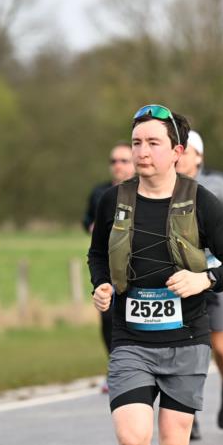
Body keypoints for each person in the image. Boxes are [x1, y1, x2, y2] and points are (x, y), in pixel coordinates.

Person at [87, 105, 223, 445]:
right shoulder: (114, 200)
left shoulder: (202, 202)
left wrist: (205, 280)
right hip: (131, 337)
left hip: (186, 338)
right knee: (131, 438)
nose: (142, 151)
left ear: (177, 151)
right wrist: (101, 285)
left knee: (174, 443)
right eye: (137, 142)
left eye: (153, 143)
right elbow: (97, 254)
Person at [175, 131, 223, 438]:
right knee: (185, 344)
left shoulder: (215, 183)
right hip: (181, 273)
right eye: (177, 150)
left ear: (199, 157)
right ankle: (187, 411)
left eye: (187, 151)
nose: (180, 157)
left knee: (218, 344)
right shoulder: (165, 185)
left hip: (216, 271)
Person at [84, 142, 135, 392]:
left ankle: (137, 368)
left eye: (124, 160)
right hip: (108, 266)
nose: (118, 165)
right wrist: (92, 227)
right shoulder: (100, 193)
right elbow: (87, 219)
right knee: (107, 319)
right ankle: (115, 368)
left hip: (136, 267)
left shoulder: (144, 190)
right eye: (114, 161)